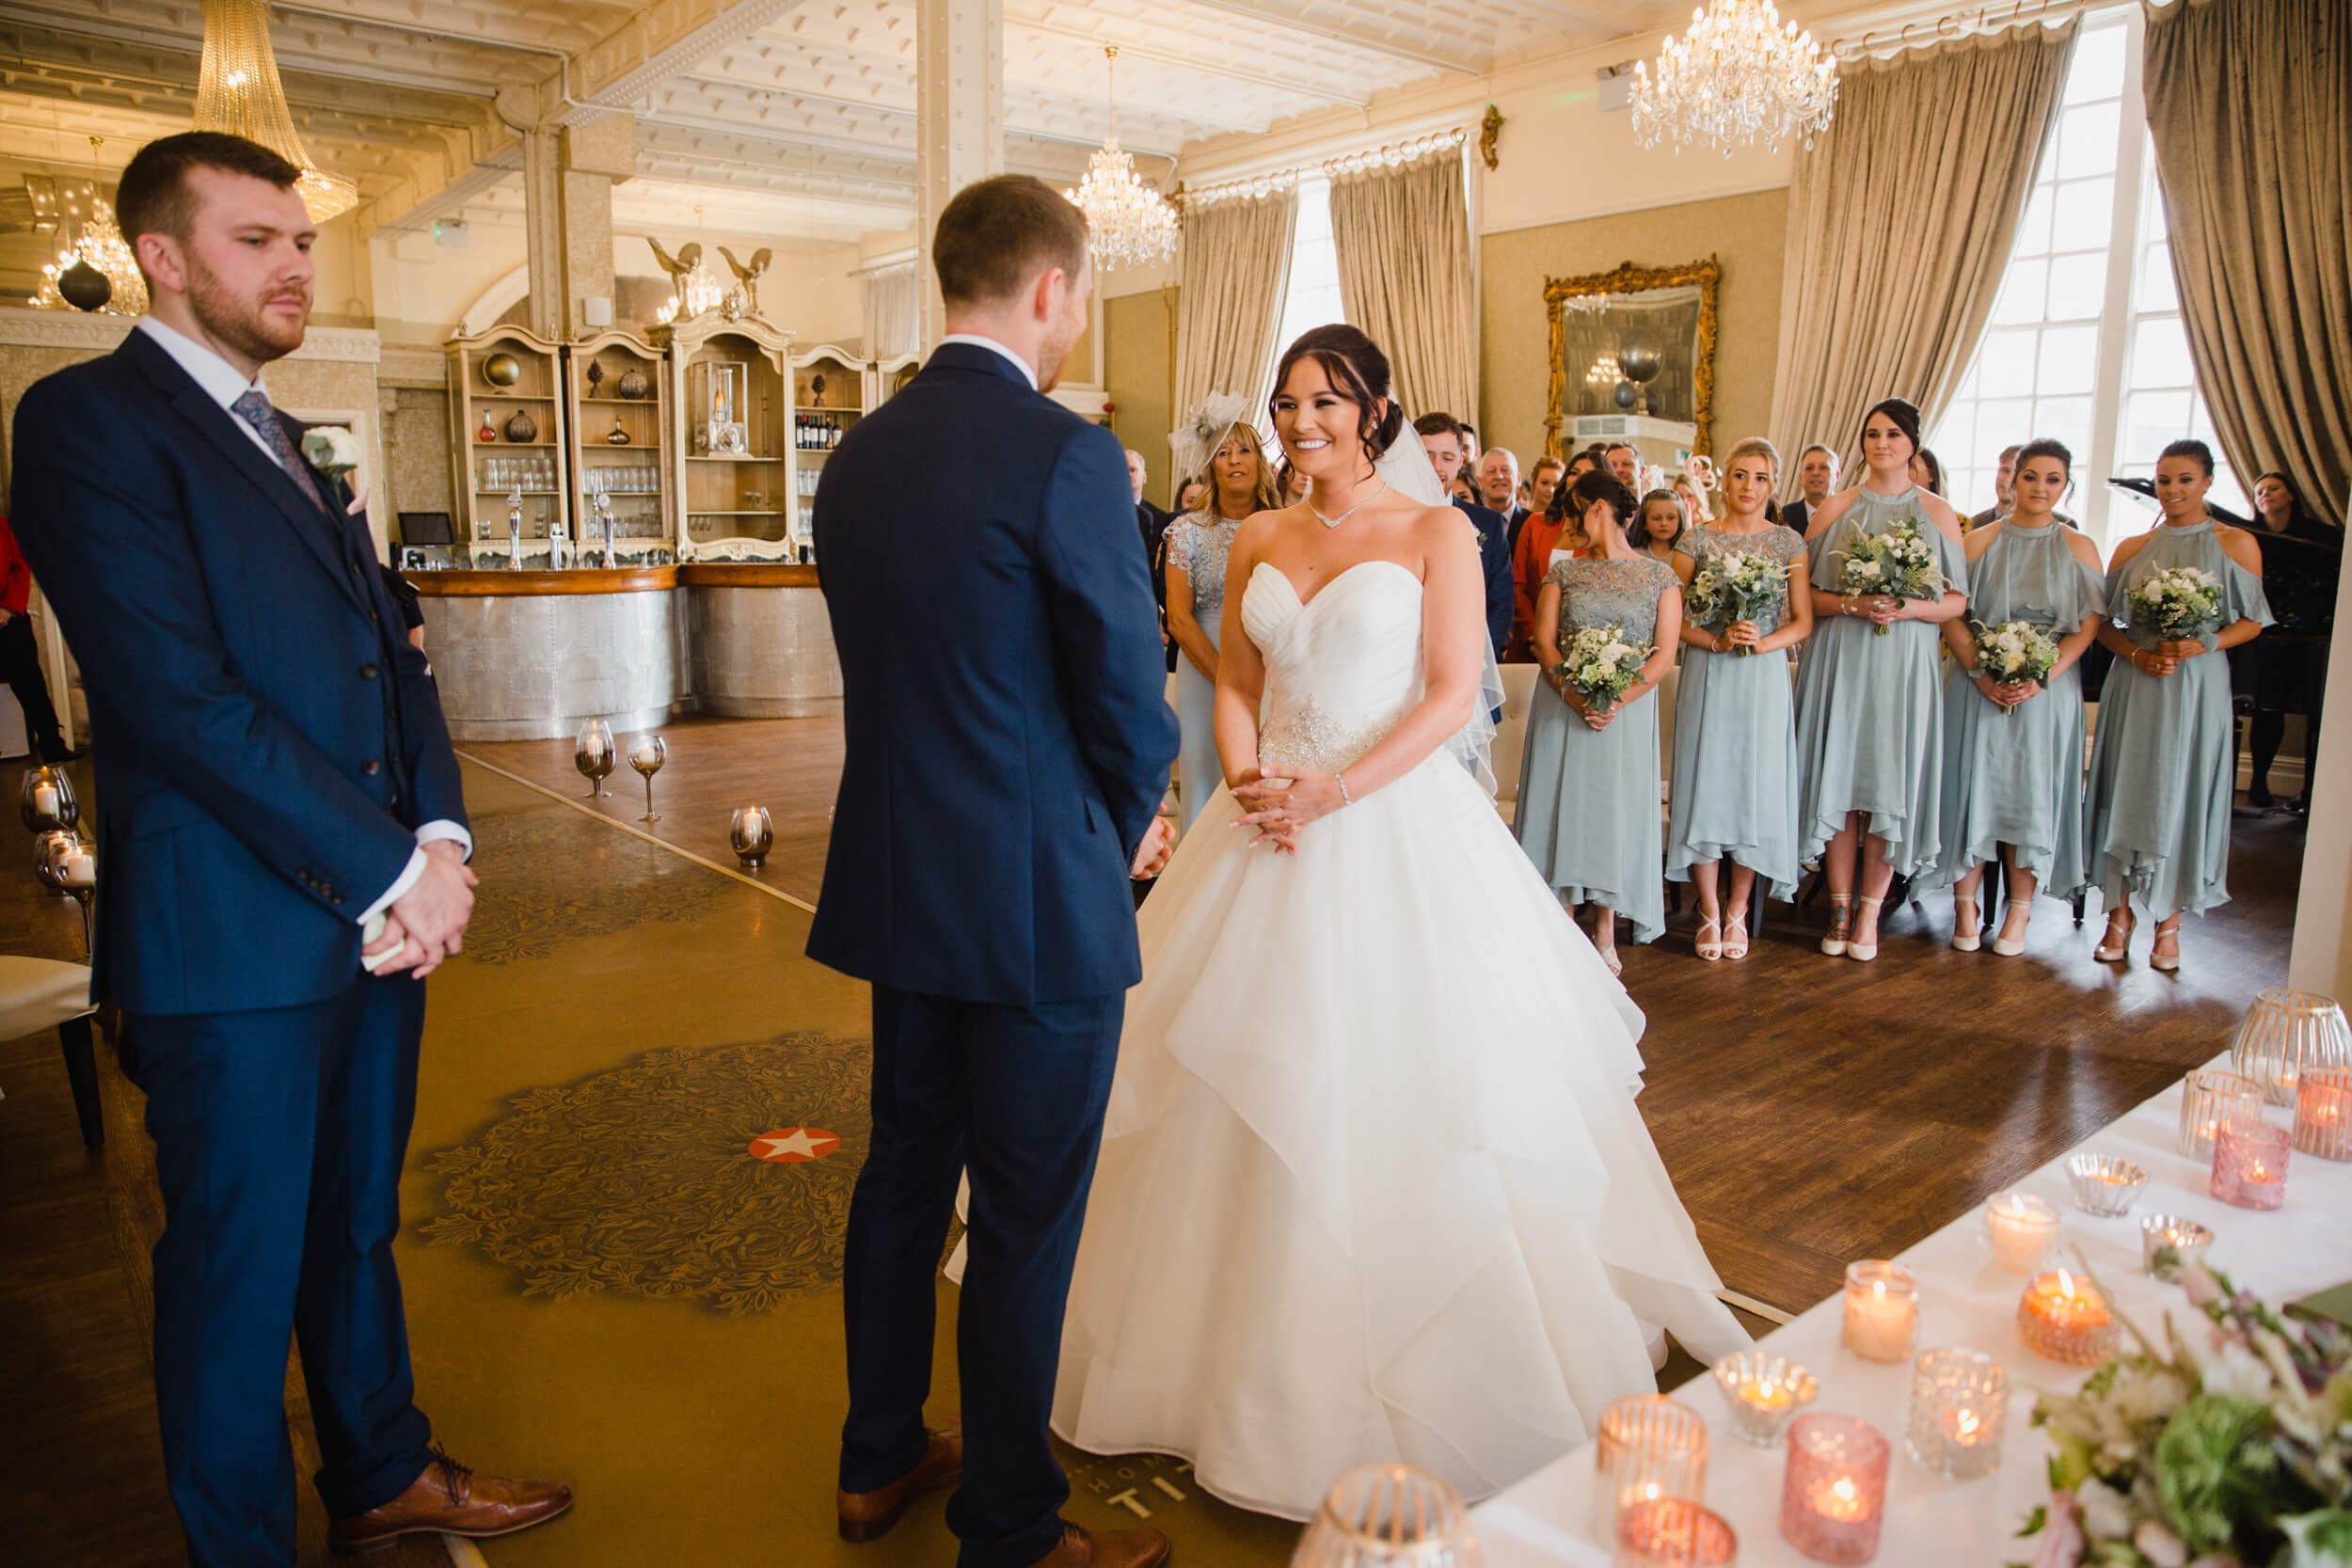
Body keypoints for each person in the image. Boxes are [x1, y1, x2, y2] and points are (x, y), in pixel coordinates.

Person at [1051, 323, 1745, 1520]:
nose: (1301, 423)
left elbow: (1444, 692)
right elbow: (1240, 682)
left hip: (1385, 821)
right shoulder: (1261, 533)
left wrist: (1336, 790)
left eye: (1325, 401)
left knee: (1404, 1087)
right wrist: (1256, 779)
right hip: (1264, 815)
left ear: (1372, 409)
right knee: (1217, 1072)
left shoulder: (1436, 532)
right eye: (1286, 403)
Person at [8, 131, 571, 1566]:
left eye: (303, 239)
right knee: (233, 1278)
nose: (297, 263)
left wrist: (439, 835)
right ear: (163, 254)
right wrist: (396, 868)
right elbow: (180, 701)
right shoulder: (88, 423)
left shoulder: (295, 435)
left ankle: (379, 1465)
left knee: (354, 1226)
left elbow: (402, 654)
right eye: (258, 238)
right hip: (232, 944)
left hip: (373, 925)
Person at [810, 174, 1180, 1568]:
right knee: (1025, 1213)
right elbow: (1126, 686)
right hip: (1037, 899)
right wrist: (1128, 810)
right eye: (1084, 297)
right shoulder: (1063, 454)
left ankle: (878, 1451)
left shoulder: (860, 454)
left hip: (906, 888)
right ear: (1052, 289)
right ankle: (1013, 1527)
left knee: (906, 1171)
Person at [1795, 397, 1971, 961]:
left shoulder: (1939, 513)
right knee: (1841, 785)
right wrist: (1854, 603)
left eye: (1894, 434)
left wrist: (1905, 608)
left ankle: (1871, 911)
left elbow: (1957, 602)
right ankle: (1840, 905)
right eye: (1873, 433)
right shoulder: (1834, 509)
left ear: (1912, 444)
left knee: (1891, 784)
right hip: (1842, 660)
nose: (1882, 443)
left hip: (1905, 666)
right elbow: (1804, 598)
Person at [2084, 439, 2270, 972]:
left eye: (2184, 479)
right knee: (2128, 786)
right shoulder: (2130, 548)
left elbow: (2253, 620)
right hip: (2138, 682)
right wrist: (2138, 653)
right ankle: (2117, 915)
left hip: (2198, 684)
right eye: (2164, 480)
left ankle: (2170, 921)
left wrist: (2202, 643)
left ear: (2207, 482)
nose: (2172, 490)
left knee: (2182, 789)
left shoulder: (2237, 543)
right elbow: (2105, 628)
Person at [1927, 439, 2107, 955]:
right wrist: (1980, 672)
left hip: (2045, 692)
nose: (2040, 488)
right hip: (1975, 683)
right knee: (1970, 789)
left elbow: (2090, 624)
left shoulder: (2081, 547)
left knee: (2031, 796)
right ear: (2012, 479)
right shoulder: (1976, 541)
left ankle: (2020, 914)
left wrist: (2041, 674)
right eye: (2031, 476)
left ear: (2065, 486)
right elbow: (1955, 613)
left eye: (2053, 479)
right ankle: (1965, 907)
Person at [1516, 470, 1685, 971]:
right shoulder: (1563, 572)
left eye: (1572, 512)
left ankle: (1606, 932)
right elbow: (1544, 642)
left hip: (1623, 714)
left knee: (1614, 813)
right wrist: (1573, 694)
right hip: (1563, 706)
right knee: (1560, 807)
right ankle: (1561, 923)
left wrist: (1617, 700)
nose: (1567, 525)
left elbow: (1663, 653)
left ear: (1596, 510)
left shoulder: (1660, 576)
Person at [1666, 439, 1813, 960]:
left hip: (1764, 677)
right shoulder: (1696, 539)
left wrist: (1759, 640)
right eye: (1740, 475)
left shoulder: (1789, 543)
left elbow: (1803, 621)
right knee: (1708, 781)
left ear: (1773, 486)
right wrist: (1717, 640)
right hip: (1710, 671)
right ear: (1724, 480)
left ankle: (1738, 910)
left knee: (1754, 785)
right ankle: (1708, 907)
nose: (1748, 487)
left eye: (1760, 478)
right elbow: (1671, 616)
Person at [1167, 418, 1282, 829]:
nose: (1235, 460)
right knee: (1204, 772)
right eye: (1223, 452)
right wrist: (1228, 679)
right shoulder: (1185, 531)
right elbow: (1179, 619)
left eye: (1245, 450)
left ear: (1261, 461)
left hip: (1273, 665)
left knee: (1268, 768)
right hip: (1204, 667)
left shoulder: (1286, 528)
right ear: (1210, 466)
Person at [2235, 469, 2338, 813]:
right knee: (2268, 710)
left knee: (2316, 715)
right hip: (2266, 634)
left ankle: (2311, 791)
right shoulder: (2249, 538)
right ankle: (2259, 781)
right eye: (2259, 490)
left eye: (2273, 488)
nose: (2265, 494)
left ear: (2290, 494)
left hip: (2313, 636)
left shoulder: (2319, 537)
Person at [1415, 412, 1514, 657]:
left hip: (1473, 657)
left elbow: (1500, 603)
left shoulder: (1487, 523)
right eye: (1428, 457)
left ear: (1461, 461)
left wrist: (1473, 656)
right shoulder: (1391, 520)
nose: (1437, 467)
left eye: (1447, 458)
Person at [0, 513, 78, 760]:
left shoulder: (2, 524)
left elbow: (19, 564)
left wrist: (8, 608)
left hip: (9, 619)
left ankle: (51, 744)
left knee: (31, 684)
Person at [1477, 445, 1529, 551]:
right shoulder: (1471, 521)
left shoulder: (1531, 522)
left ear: (1519, 479)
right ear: (1480, 482)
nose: (1499, 476)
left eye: (1506, 470)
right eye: (1491, 471)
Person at [1783, 443, 1839, 534]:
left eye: (1823, 468)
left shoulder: (1850, 514)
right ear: (1800, 477)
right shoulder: (1784, 515)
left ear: (1837, 475)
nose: (1815, 473)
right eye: (1809, 468)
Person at [1967, 444, 2021, 530]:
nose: (2007, 480)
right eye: (2005, 471)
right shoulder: (1974, 523)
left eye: (2016, 474)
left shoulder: (2038, 526)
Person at [1638, 488, 1687, 562]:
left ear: (1680, 521)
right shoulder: (1635, 556)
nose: (1664, 523)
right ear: (1644, 522)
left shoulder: (1686, 558)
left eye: (1670, 518)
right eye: (1656, 518)